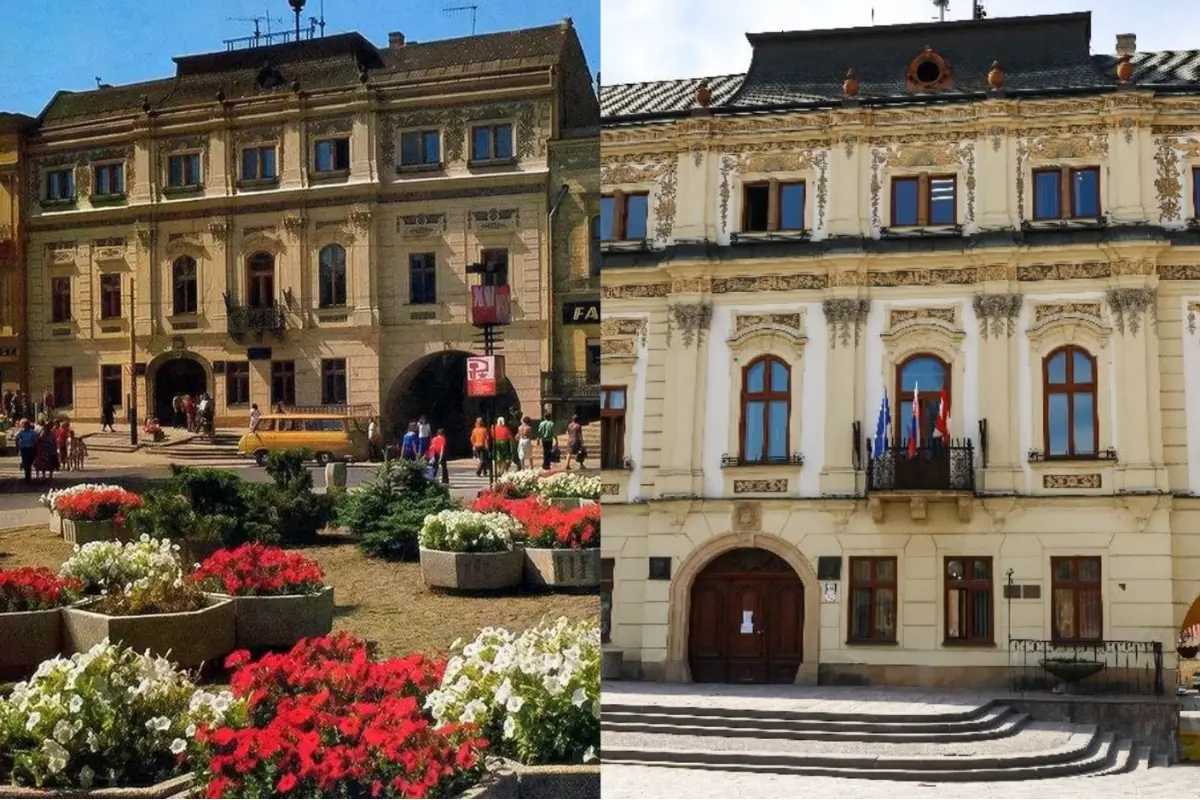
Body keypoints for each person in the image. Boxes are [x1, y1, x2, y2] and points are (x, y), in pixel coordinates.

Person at [15, 419, 37, 484]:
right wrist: (17, 446)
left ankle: (28, 475)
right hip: (24, 449)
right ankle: (27, 477)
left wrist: (35, 447)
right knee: (26, 463)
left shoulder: (32, 432)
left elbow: (35, 440)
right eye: (23, 424)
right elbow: (16, 437)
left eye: (26, 424)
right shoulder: (20, 432)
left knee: (30, 462)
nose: (25, 425)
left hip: (31, 448)